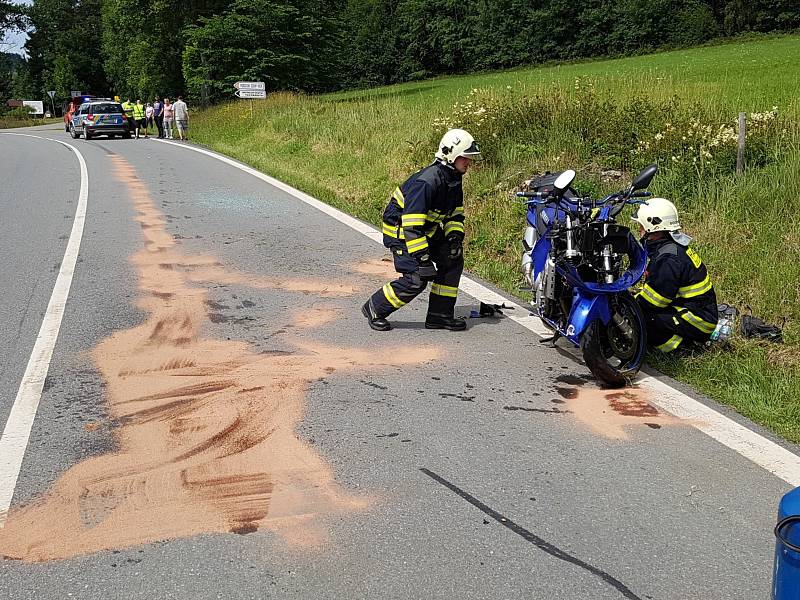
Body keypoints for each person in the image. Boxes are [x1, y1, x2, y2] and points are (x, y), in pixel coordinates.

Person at [362, 128, 481, 331]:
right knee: (417, 278)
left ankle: (439, 316)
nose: (468, 162)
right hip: (403, 234)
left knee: (452, 260)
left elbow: (455, 214)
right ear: (451, 155)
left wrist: (454, 237)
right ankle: (375, 307)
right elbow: (411, 224)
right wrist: (422, 258)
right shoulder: (427, 181)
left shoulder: (453, 178)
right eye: (465, 158)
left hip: (426, 231)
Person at [632, 197, 718, 353]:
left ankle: (683, 348)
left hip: (698, 320)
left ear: (653, 227)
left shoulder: (668, 258)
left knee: (642, 317)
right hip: (696, 311)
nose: (640, 230)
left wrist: (629, 303)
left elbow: (655, 301)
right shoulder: (670, 248)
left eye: (641, 226)